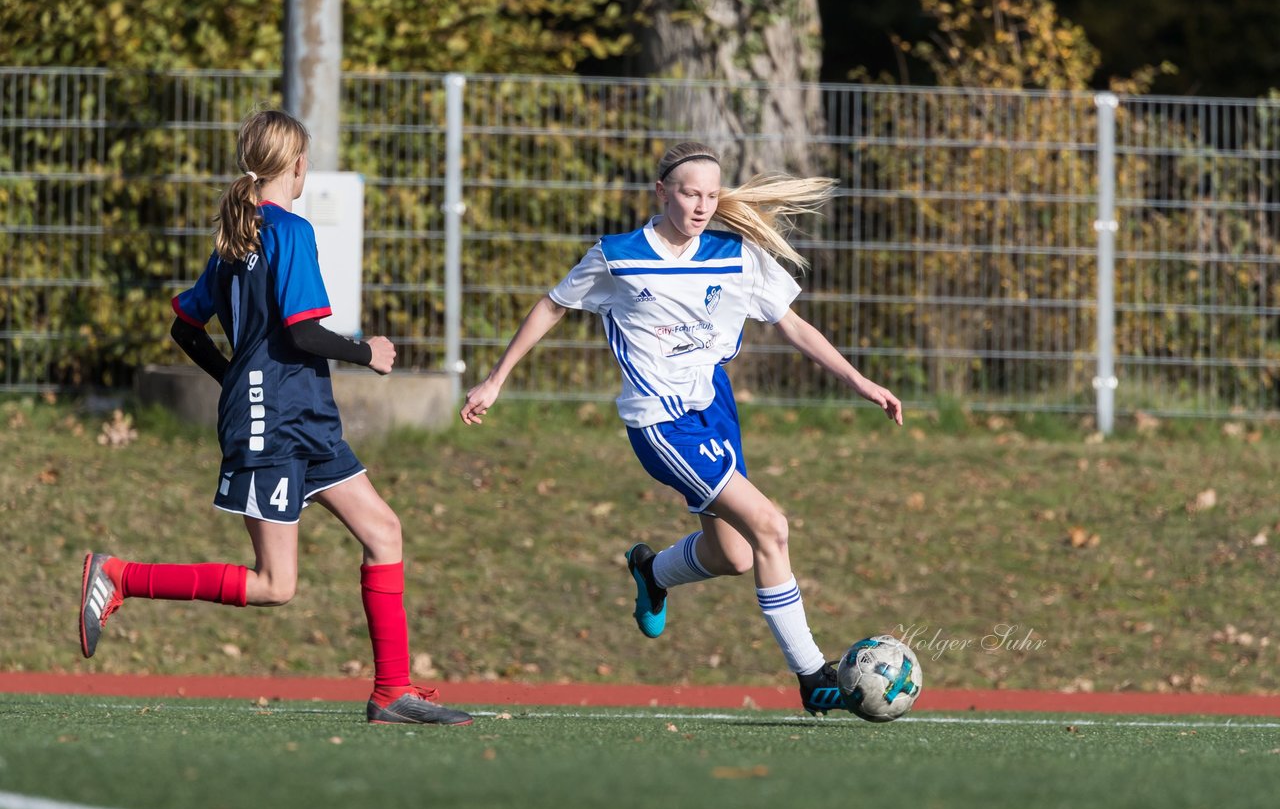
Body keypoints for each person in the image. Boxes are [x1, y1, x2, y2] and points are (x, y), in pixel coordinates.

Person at [460, 142, 903, 715]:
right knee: (771, 526)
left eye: (712, 195)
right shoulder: (618, 256)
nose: (701, 206)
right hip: (659, 419)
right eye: (690, 193)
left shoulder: (734, 253)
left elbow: (793, 325)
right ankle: (813, 677)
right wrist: (496, 379)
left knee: (735, 556)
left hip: (715, 406)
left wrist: (860, 382)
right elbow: (552, 305)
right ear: (661, 192)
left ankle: (652, 570)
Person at [79, 109, 472, 726]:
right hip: (271, 421)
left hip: (305, 417)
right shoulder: (288, 231)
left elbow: (186, 324)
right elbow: (303, 331)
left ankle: (391, 691)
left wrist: (228, 373)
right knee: (274, 585)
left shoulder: (237, 238)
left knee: (384, 533)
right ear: (297, 165)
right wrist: (366, 352)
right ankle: (121, 576)